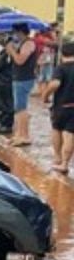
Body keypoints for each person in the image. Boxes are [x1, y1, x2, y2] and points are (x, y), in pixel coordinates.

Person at [42, 40, 74, 173]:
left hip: (61, 106)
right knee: (70, 134)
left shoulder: (61, 68)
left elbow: (55, 84)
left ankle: (57, 158)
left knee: (57, 130)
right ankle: (65, 164)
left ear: (62, 54)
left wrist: (45, 95)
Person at [6, 22, 38, 147]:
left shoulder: (28, 44)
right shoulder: (21, 43)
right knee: (18, 108)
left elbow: (20, 60)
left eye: (14, 32)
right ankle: (19, 134)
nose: (13, 35)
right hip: (18, 77)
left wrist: (12, 51)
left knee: (21, 108)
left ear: (20, 32)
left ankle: (24, 136)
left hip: (24, 78)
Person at [0, 33, 15, 135]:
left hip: (6, 80)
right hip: (2, 80)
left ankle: (7, 125)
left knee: (6, 104)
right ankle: (3, 123)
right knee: (1, 102)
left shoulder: (9, 54)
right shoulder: (4, 52)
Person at [34, 23, 58, 97]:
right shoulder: (41, 38)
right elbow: (55, 43)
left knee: (43, 76)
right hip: (44, 60)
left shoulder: (40, 37)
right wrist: (54, 36)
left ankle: (42, 92)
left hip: (44, 60)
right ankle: (43, 93)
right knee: (45, 77)